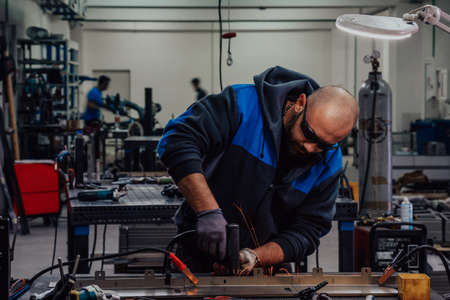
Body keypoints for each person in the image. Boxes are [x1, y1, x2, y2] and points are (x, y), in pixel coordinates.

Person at [158, 66, 358, 274]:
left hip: (264, 267)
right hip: (196, 253)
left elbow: (308, 230)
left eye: (323, 145)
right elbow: (177, 141)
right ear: (300, 103)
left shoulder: (328, 162)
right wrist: (207, 211)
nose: (310, 148)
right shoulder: (243, 105)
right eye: (308, 133)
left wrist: (256, 256)